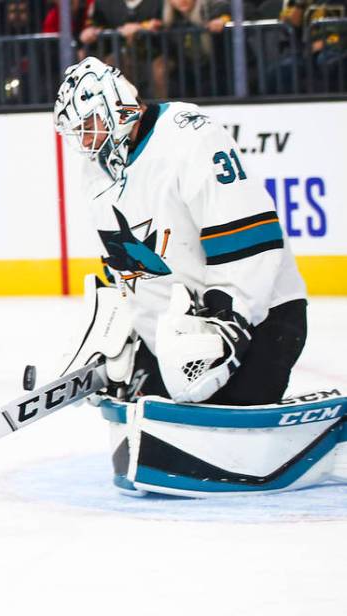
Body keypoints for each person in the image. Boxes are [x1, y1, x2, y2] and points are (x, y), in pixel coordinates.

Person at [53, 57, 307, 407]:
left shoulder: (190, 137)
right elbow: (126, 263)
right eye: (78, 131)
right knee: (153, 408)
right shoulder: (96, 170)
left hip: (261, 317)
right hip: (181, 338)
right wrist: (127, 339)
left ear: (116, 105)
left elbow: (249, 236)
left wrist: (226, 320)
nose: (84, 139)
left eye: (89, 124)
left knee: (230, 412)